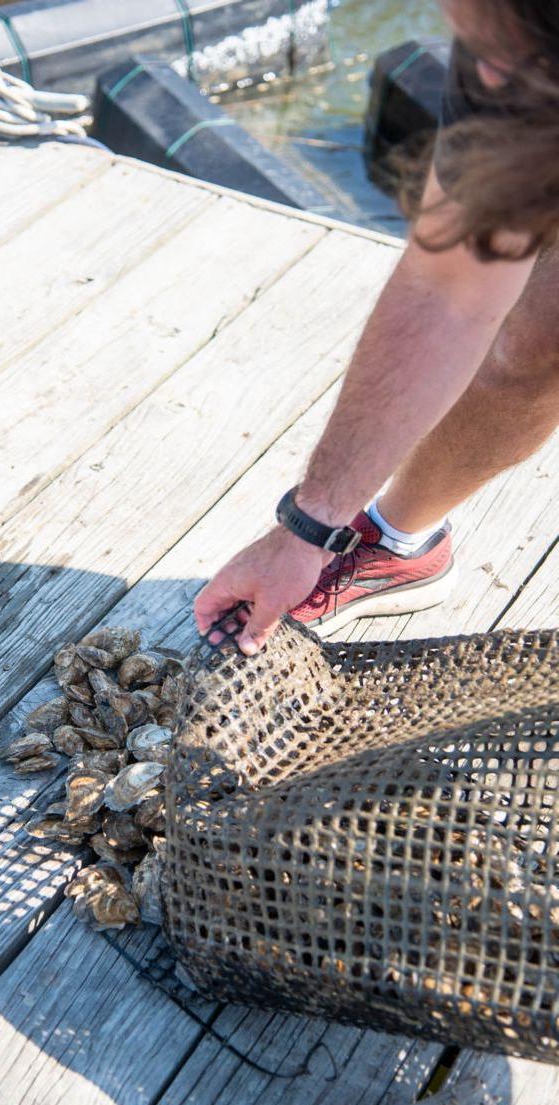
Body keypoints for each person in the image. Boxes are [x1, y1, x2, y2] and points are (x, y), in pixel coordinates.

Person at [194, 0, 559, 654]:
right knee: (535, 335)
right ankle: (400, 544)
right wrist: (310, 526)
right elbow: (451, 291)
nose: (489, 78)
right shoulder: (508, 56)